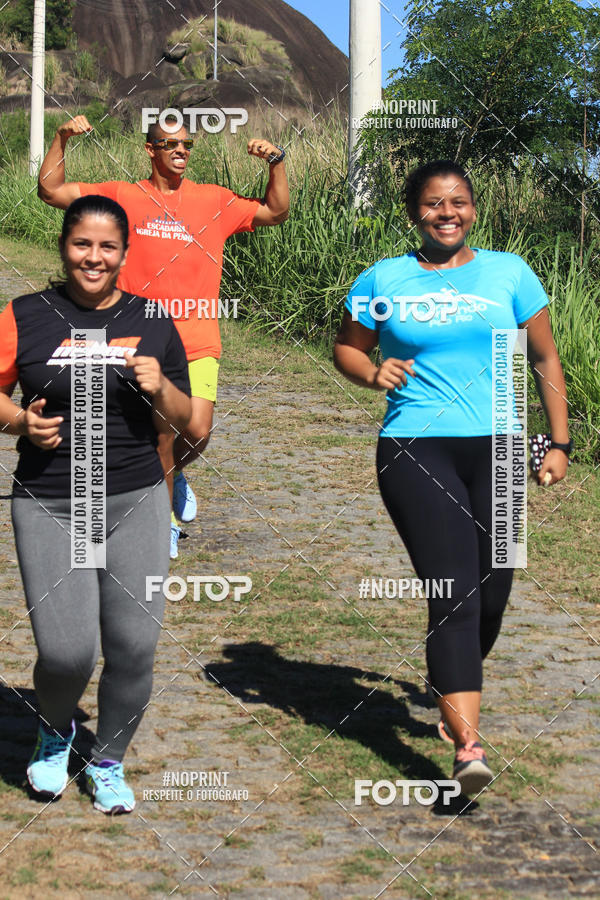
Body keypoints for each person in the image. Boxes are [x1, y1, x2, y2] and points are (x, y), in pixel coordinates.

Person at [334, 160, 570, 794]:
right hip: (415, 446)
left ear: (472, 209)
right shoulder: (387, 277)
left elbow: (544, 357)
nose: (448, 213)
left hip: (499, 444)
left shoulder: (509, 272)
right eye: (434, 204)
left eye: (458, 202)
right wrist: (370, 372)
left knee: (495, 588)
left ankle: (450, 675)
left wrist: (559, 440)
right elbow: (348, 347)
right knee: (456, 592)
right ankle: (468, 748)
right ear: (415, 212)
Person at [0, 195, 191, 813]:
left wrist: (161, 388)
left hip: (134, 497)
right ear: (64, 246)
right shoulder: (25, 315)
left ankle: (108, 759)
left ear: (124, 254)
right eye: (83, 243)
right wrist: (19, 424)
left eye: (108, 247)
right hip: (52, 500)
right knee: (67, 651)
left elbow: (186, 419)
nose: (94, 257)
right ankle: (55, 732)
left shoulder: (154, 319)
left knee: (135, 645)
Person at [38, 113, 289, 558]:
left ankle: (169, 477)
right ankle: (163, 523)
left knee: (197, 429)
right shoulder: (122, 196)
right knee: (159, 434)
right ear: (151, 150)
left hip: (198, 337)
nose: (181, 152)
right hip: (138, 338)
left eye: (188, 146)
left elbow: (275, 211)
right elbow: (52, 190)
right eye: (171, 145)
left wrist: (276, 163)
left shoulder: (214, 199)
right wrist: (61, 138)